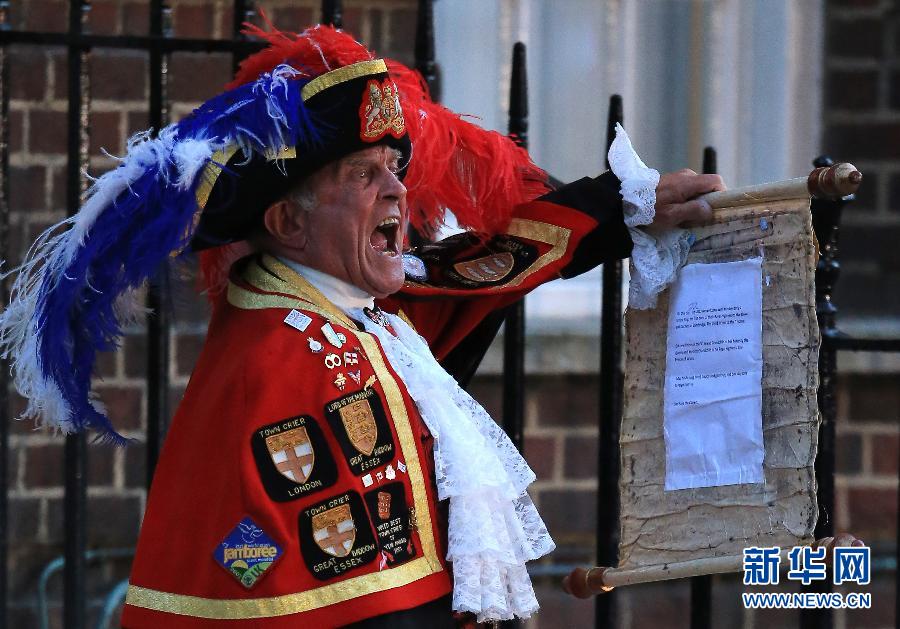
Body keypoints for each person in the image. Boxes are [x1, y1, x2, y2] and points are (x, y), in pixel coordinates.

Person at [0, 25, 725, 628]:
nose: (398, 190)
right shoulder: (278, 359)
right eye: (362, 174)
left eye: (394, 166)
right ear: (288, 222)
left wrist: (622, 207)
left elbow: (483, 269)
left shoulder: (367, 314)